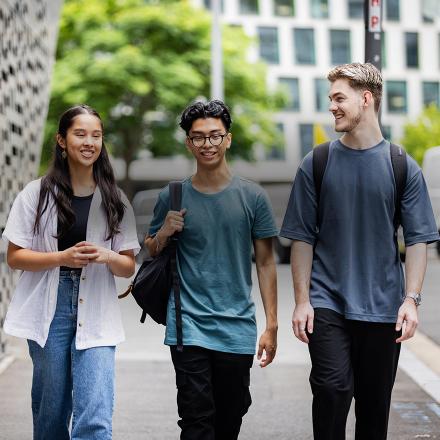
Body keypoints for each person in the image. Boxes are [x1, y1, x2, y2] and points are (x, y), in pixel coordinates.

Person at [280, 63, 439, 440]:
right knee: (332, 391)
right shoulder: (317, 163)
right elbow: (301, 238)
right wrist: (303, 301)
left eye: (339, 98)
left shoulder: (401, 165)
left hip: (383, 309)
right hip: (327, 303)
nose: (332, 106)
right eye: (330, 98)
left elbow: (417, 239)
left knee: (373, 409)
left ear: (366, 99)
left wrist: (411, 300)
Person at [2, 104, 140, 439]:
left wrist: (107, 255)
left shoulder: (115, 199)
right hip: (49, 310)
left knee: (95, 415)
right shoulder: (36, 194)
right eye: (80, 133)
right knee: (51, 413)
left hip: (96, 307)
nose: (89, 141)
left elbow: (128, 266)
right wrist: (61, 257)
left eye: (96, 135)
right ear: (62, 140)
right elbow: (15, 257)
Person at [145, 99, 278, 440]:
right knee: (196, 419)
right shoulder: (171, 196)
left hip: (236, 327)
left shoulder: (253, 197)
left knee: (231, 417)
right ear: (188, 143)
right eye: (199, 137)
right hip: (187, 325)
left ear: (228, 139)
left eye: (215, 136)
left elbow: (265, 263)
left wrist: (272, 325)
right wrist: (163, 232)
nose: (207, 144)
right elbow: (150, 248)